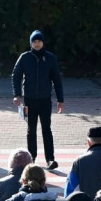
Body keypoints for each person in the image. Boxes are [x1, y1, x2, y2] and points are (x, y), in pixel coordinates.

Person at [12, 30, 65, 170]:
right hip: (29, 100)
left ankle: (50, 159)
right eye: (34, 41)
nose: (37, 44)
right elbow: (16, 75)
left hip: (45, 100)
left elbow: (57, 80)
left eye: (39, 41)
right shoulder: (25, 57)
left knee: (46, 129)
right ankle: (32, 158)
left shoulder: (50, 58)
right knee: (31, 130)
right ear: (31, 43)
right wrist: (17, 94)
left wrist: (61, 99)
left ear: (43, 42)